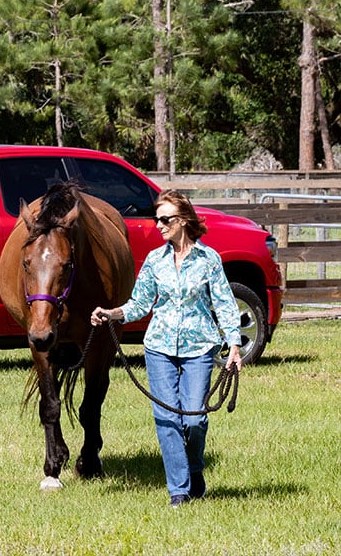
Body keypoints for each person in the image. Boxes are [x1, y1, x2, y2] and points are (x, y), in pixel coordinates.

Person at [91, 189, 244, 507]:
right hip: (159, 347)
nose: (158, 225)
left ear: (183, 220)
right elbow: (138, 304)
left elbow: (224, 304)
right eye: (156, 219)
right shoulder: (154, 261)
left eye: (165, 219)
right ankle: (179, 490)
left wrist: (234, 343)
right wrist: (111, 313)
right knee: (167, 418)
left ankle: (195, 467)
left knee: (194, 419)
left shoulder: (209, 260)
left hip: (199, 347)